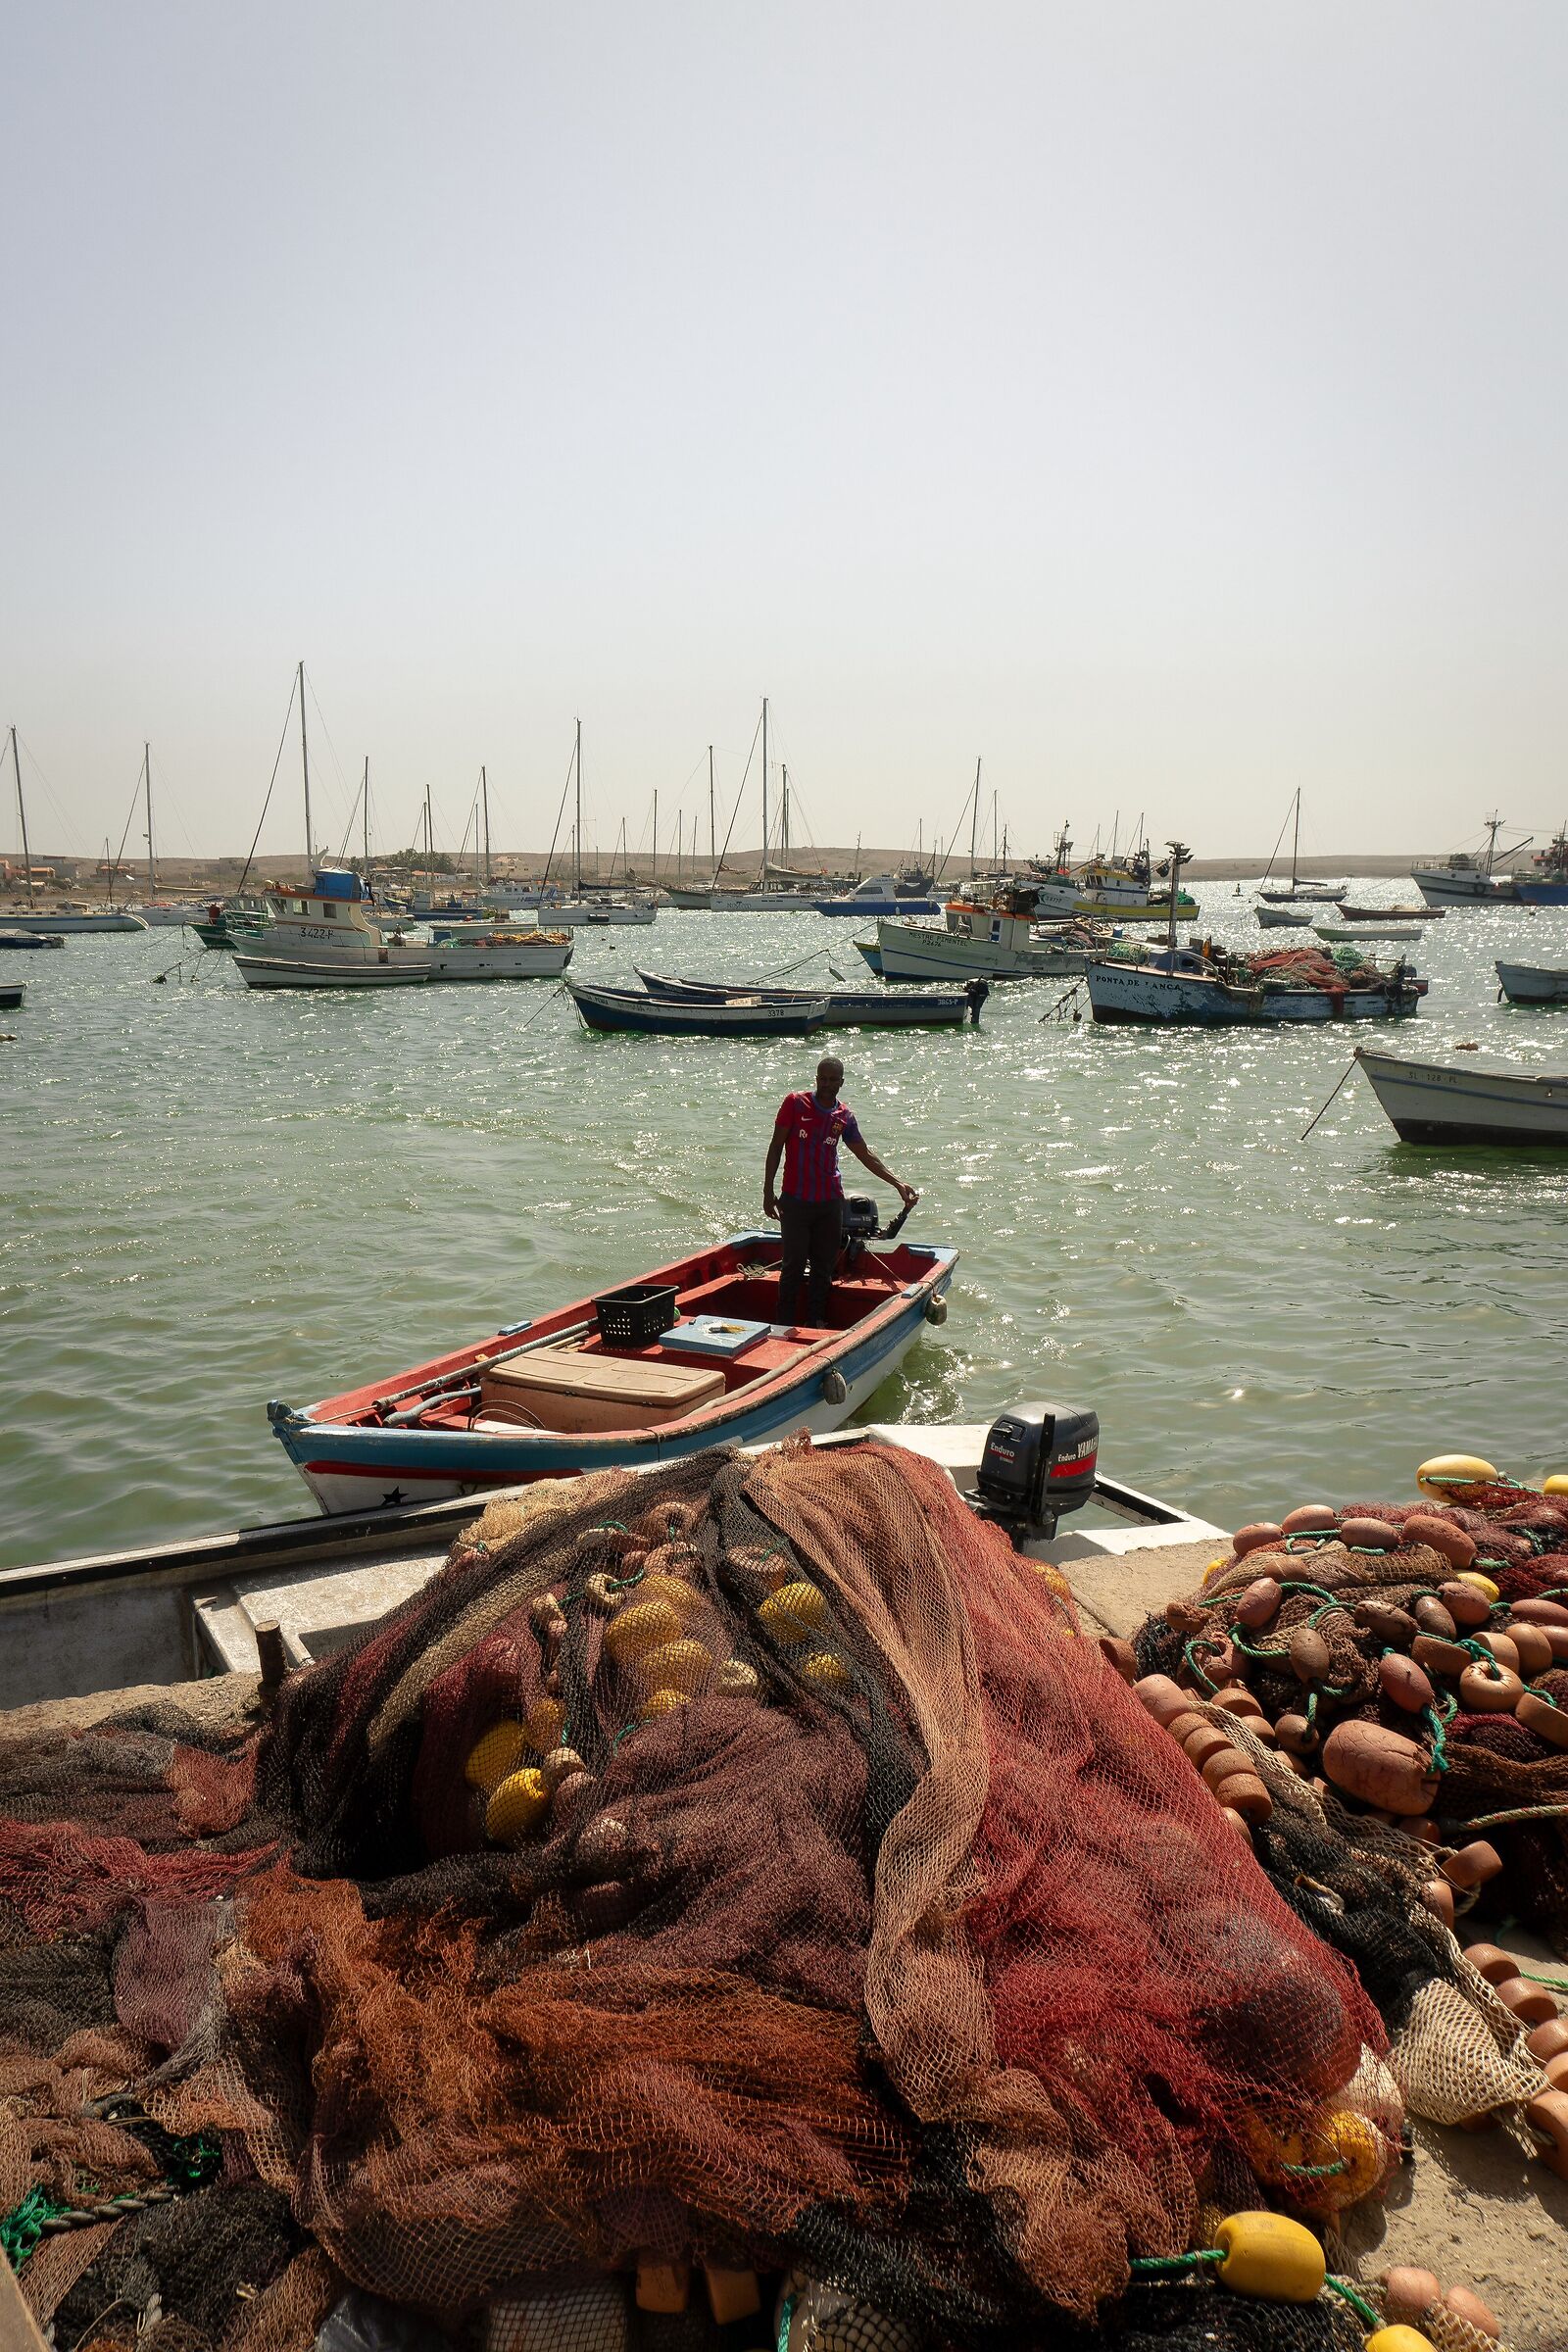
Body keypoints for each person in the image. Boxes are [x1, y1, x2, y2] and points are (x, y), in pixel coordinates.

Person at [763, 1055, 917, 1325]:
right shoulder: (795, 1103)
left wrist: (897, 1183)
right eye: (822, 1078)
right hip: (795, 1202)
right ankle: (783, 1324)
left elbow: (865, 1154)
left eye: (833, 1080)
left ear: (841, 1083)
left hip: (830, 1203)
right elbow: (776, 1146)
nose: (827, 1084)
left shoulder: (844, 1116)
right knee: (793, 1266)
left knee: (824, 1268)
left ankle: (816, 1322)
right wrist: (768, 1192)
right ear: (816, 1079)